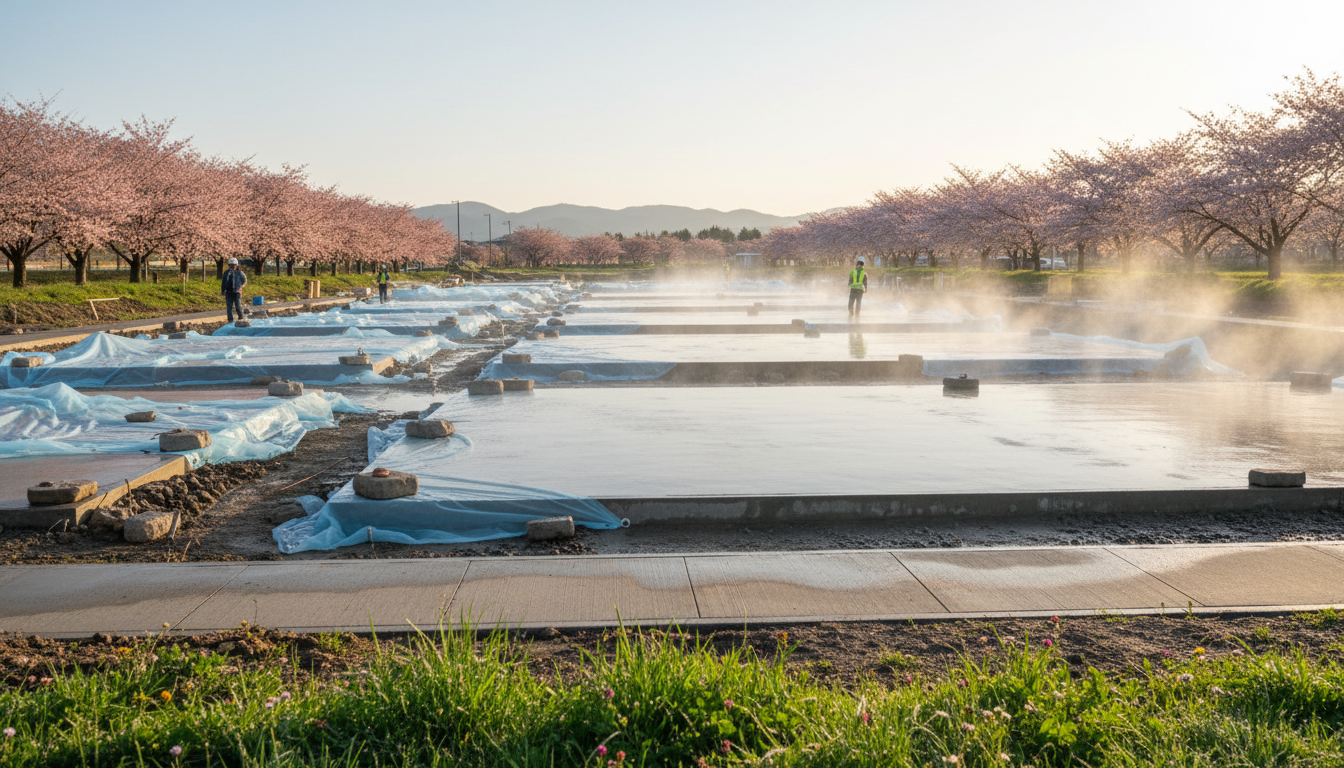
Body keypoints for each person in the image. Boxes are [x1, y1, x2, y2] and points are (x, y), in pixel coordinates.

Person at [222, 257, 247, 322]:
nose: (232, 267)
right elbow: (223, 282)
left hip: (236, 292)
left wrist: (241, 288)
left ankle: (241, 319)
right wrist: (223, 290)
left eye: (234, 265)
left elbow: (245, 281)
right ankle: (230, 321)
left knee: (238, 306)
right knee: (229, 308)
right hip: (228, 292)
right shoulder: (226, 273)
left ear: (237, 265)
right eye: (230, 265)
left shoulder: (240, 273)